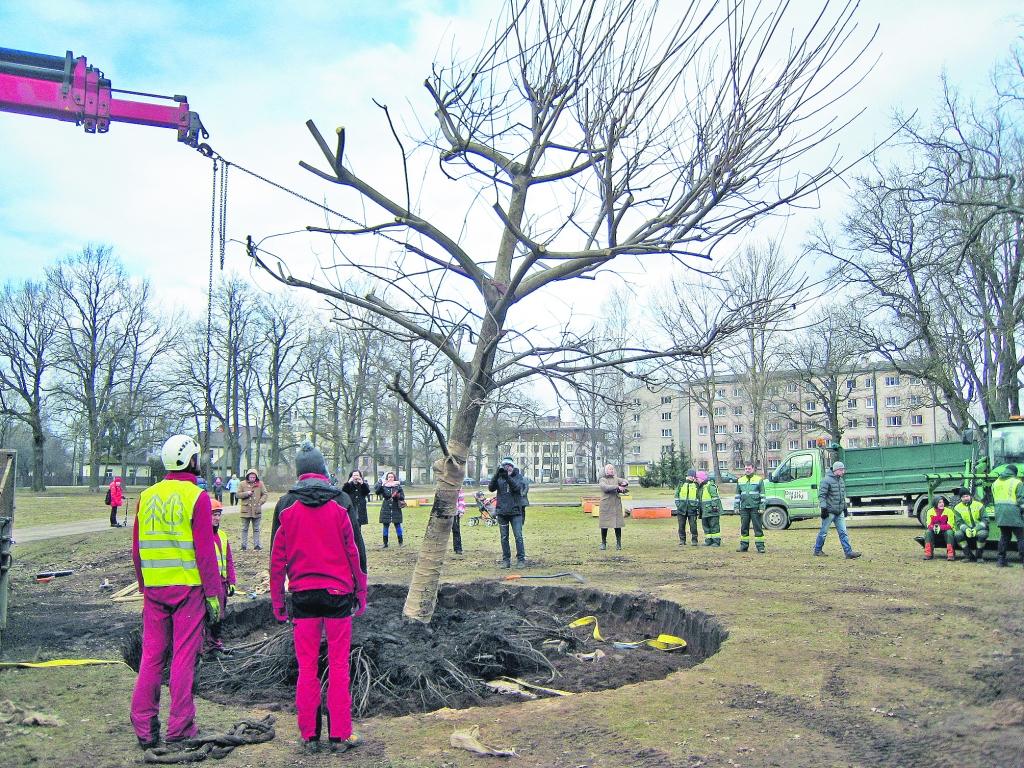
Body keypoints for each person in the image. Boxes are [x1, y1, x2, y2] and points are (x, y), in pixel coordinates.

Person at [270, 442, 367, 755]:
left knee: (307, 667)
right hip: (338, 595)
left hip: (302, 596)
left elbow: (276, 558)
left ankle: (309, 736)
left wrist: (277, 600)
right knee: (339, 666)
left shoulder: (285, 504)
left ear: (300, 473)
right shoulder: (341, 500)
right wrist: (361, 591)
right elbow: (355, 550)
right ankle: (340, 735)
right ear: (324, 469)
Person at [130, 435, 222, 749]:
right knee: (183, 656)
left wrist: (144, 586)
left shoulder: (146, 495)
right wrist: (214, 595)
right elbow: (205, 552)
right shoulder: (196, 497)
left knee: (152, 657)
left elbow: (136, 549)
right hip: (188, 590)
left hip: (155, 590)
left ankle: (144, 726)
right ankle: (180, 727)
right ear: (190, 460)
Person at [813, 461, 862, 559]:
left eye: (843, 469)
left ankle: (848, 553)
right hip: (829, 511)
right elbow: (822, 496)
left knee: (843, 532)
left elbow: (842, 496)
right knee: (823, 532)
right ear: (836, 470)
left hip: (839, 512)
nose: (843, 472)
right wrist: (823, 508)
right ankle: (817, 550)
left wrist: (845, 508)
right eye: (841, 470)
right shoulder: (826, 480)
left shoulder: (841, 481)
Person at [206, 499, 236, 654]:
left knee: (220, 615)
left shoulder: (222, 536)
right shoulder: (202, 536)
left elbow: (229, 559)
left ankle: (216, 643)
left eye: (218, 514)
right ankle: (209, 646)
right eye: (213, 515)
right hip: (209, 584)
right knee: (211, 616)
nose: (216, 518)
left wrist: (232, 580)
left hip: (222, 584)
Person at [489, 457, 527, 568]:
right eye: (505, 466)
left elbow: (517, 488)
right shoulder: (500, 477)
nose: (508, 468)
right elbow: (491, 488)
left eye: (509, 466)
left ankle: (521, 560)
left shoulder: (518, 477)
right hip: (502, 513)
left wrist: (507, 478)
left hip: (515, 512)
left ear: (513, 466)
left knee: (518, 536)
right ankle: (506, 560)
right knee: (504, 537)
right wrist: (496, 475)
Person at [991, 464, 1024, 568]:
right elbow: (1021, 500)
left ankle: (1001, 560)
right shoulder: (1017, 482)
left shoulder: (995, 483)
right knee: (1021, 537)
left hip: (1000, 513)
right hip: (1014, 513)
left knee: (1004, 536)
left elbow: (994, 499)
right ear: (1014, 472)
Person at [735, 463, 766, 553]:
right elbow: (737, 495)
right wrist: (736, 506)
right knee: (744, 528)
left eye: (749, 468)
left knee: (758, 528)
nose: (747, 470)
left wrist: (762, 507)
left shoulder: (759, 480)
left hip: (755, 508)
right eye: (746, 469)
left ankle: (760, 547)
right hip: (744, 508)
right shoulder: (740, 480)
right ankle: (744, 546)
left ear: (753, 469)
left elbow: (763, 495)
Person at [952, 487, 989, 563]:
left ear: (970, 496)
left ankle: (979, 556)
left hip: (979, 529)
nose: (965, 498)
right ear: (960, 498)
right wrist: (966, 529)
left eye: (967, 496)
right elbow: (959, 522)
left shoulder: (979, 505)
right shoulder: (957, 508)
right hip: (966, 529)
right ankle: (968, 555)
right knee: (958, 534)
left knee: (982, 534)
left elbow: (985, 519)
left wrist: (976, 528)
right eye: (963, 497)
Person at [597, 464, 629, 550]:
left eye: (612, 469)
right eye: (610, 469)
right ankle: (603, 543)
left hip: (616, 504)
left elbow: (625, 481)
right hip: (606, 505)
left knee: (617, 524)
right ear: (606, 471)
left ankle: (618, 544)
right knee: (604, 525)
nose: (612, 470)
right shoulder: (602, 480)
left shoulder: (616, 479)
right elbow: (605, 488)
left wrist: (624, 484)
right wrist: (617, 487)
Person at [237, 468, 268, 551]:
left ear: (256, 477)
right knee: (244, 529)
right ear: (247, 476)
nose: (252, 479)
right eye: (251, 477)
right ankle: (243, 546)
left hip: (256, 510)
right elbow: (237, 495)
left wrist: (260, 502)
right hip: (245, 510)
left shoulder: (260, 484)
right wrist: (246, 494)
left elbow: (265, 494)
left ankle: (257, 545)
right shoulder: (242, 484)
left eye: (254, 477)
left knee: (256, 529)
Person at [374, 472, 406, 548]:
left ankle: (400, 542)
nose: (390, 478)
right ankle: (385, 543)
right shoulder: (384, 486)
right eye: (389, 477)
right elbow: (377, 492)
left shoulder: (398, 486)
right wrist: (381, 485)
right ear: (387, 478)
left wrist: (398, 495)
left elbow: (402, 497)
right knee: (385, 525)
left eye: (392, 477)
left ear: (394, 478)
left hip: (396, 507)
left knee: (397, 525)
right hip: (386, 507)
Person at [923, 496, 956, 561]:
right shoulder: (930, 511)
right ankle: (928, 554)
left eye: (942, 502)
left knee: (949, 532)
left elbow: (950, 525)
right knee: (928, 532)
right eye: (939, 502)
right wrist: (934, 528)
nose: (942, 504)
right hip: (934, 530)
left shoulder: (949, 511)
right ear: (935, 503)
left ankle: (951, 554)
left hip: (946, 530)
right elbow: (929, 524)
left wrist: (940, 528)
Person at [695, 471, 723, 546]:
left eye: (697, 478)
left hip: (712, 511)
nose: (696, 480)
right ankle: (708, 541)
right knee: (706, 526)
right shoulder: (701, 487)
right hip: (704, 511)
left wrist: (714, 507)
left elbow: (715, 497)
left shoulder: (710, 486)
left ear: (701, 478)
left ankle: (716, 541)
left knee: (714, 526)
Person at [674, 469, 699, 546]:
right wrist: (678, 505)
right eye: (690, 476)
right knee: (681, 526)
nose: (691, 477)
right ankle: (682, 540)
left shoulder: (696, 485)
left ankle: (694, 540)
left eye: (692, 476)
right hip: (681, 509)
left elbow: (698, 497)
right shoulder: (681, 484)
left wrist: (696, 507)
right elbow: (676, 496)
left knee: (693, 526)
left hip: (692, 509)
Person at [452, 487, 465, 555]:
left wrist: (461, 511)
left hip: (455, 513)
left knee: (456, 530)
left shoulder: (458, 487)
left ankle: (458, 549)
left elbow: (461, 500)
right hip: (445, 512)